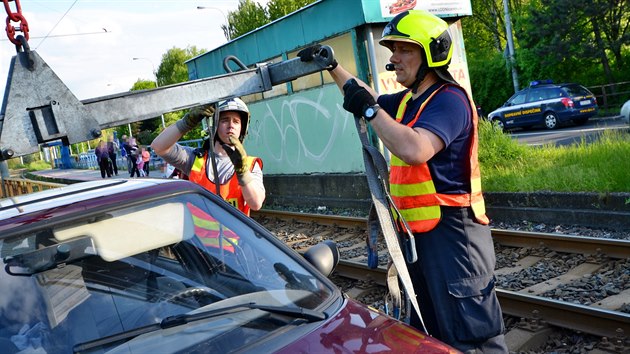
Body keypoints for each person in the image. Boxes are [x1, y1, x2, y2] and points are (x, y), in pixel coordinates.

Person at [298, 10, 507, 353]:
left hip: (456, 238)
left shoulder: (449, 101)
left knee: (472, 336)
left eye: (403, 49)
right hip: (422, 238)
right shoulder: (411, 101)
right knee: (432, 333)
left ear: (431, 54)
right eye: (392, 50)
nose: (393, 59)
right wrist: (333, 66)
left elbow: (415, 148)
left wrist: (368, 110)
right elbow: (368, 97)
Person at [151, 98, 265, 216]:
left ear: (242, 128)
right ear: (214, 125)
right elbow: (158, 146)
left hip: (234, 235)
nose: (231, 126)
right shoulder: (194, 159)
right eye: (225, 120)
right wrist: (187, 122)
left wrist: (243, 173)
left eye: (236, 121)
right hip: (201, 235)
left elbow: (256, 204)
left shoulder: (250, 165)